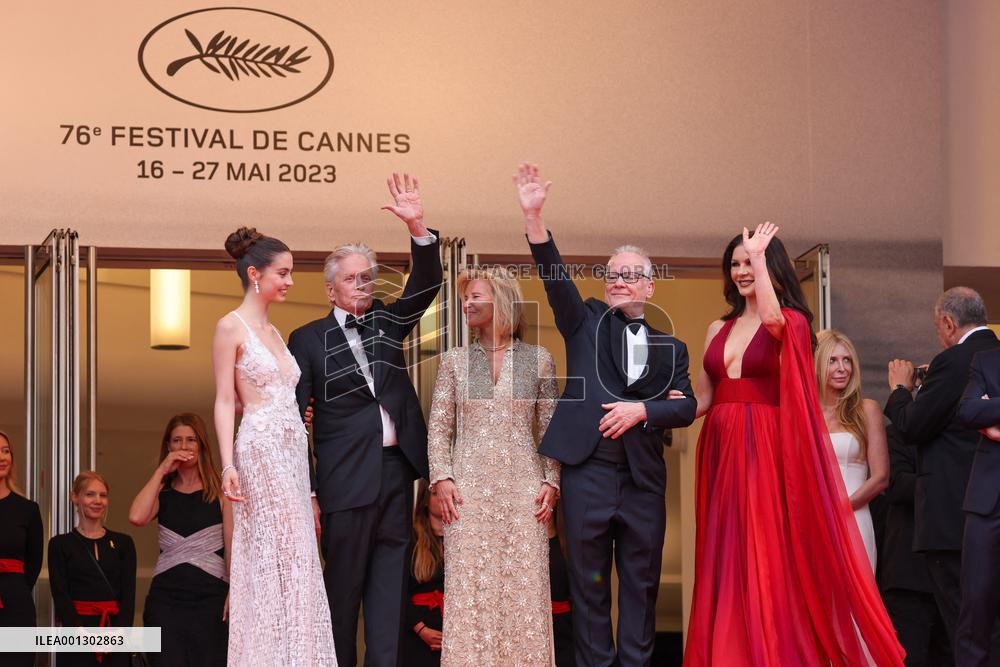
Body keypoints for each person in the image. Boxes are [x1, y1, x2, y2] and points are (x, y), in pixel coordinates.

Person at [684, 224, 904, 666]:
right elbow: (702, 400)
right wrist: (649, 411)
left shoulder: (796, 323)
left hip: (766, 446)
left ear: (773, 266)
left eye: (751, 262)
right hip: (721, 449)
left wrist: (763, 262)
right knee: (725, 558)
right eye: (737, 264)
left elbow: (772, 320)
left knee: (766, 554)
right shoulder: (716, 328)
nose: (742, 271)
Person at [517, 163, 697, 666]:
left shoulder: (672, 347)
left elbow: (687, 407)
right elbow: (555, 280)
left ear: (649, 287)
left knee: (641, 588)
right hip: (587, 474)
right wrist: (535, 220)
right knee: (589, 590)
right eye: (613, 274)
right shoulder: (584, 320)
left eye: (630, 275)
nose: (619, 281)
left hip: (643, 480)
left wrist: (643, 410)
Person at [287, 173, 442, 667]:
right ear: (331, 290)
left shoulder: (385, 321)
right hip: (343, 481)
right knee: (342, 596)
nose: (364, 284)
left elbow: (426, 286)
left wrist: (417, 227)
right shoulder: (307, 339)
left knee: (389, 594)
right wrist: (308, 490)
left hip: (398, 473)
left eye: (368, 276)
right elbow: (294, 421)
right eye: (354, 278)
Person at [213, 227, 335, 666]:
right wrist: (227, 465)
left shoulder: (276, 332)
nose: (290, 281)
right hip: (260, 448)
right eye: (282, 273)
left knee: (298, 555)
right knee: (270, 553)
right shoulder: (231, 326)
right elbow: (226, 399)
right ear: (254, 274)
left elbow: (289, 395)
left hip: (292, 452)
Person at [427, 267, 559, 665]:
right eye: (465, 297)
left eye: (475, 296)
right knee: (470, 591)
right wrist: (442, 477)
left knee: (523, 591)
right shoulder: (455, 361)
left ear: (501, 301)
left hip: (523, 492)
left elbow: (551, 430)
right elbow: (438, 427)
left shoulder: (538, 360)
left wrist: (552, 481)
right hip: (467, 494)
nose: (467, 303)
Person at [884, 287, 1000, 657]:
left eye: (938, 329)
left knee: (964, 629)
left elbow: (912, 425)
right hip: (986, 506)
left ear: (949, 323)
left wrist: (901, 391)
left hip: (953, 516)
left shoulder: (953, 361)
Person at [128, 413, 231, 666]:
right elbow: (136, 516)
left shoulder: (221, 493)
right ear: (168, 446)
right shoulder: (163, 493)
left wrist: (234, 589)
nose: (184, 447)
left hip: (211, 599)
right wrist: (162, 470)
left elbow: (232, 544)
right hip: (166, 600)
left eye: (190, 440)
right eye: (176, 441)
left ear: (202, 445)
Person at [815, 329, 889, 571]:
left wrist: (840, 508)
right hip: (813, 520)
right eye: (832, 360)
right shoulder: (805, 415)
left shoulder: (867, 409)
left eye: (847, 360)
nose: (842, 368)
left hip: (854, 519)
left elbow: (880, 479)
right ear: (816, 364)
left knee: (855, 605)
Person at [878, 423, 952, 666]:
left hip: (956, 573)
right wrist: (952, 483)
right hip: (908, 574)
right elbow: (896, 484)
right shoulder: (897, 433)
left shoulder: (969, 432)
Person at [48, 471, 136, 667]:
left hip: (114, 634)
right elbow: (60, 594)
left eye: (103, 495)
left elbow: (129, 595)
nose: (98, 501)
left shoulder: (124, 543)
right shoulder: (59, 544)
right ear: (75, 497)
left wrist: (118, 634)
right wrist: (83, 636)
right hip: (76, 636)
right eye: (90, 494)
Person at [954, 347, 1000, 666]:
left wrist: (994, 415)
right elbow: (968, 411)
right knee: (976, 608)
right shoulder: (986, 360)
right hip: (988, 504)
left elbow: (982, 412)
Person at [0, 432, 43, 667]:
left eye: (6, 450)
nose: (2, 456)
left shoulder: (28, 509)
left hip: (16, 605)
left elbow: (34, 562)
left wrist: (14, 589)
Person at [405, 480, 445, 667]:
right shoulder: (410, 539)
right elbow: (399, 592)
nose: (443, 498)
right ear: (426, 499)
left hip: (454, 635)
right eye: (436, 494)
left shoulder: (463, 539)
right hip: (418, 636)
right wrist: (421, 630)